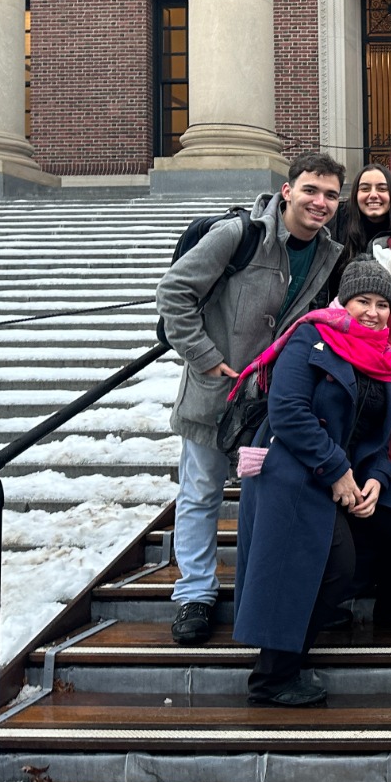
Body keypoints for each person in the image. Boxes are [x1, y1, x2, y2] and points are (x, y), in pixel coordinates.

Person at [233, 259, 391, 707]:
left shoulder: (384, 359)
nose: (372, 313)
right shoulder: (309, 337)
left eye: (381, 304)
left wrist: (376, 478)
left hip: (348, 473)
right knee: (332, 567)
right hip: (295, 468)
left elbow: (378, 439)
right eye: (362, 302)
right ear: (343, 302)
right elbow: (290, 413)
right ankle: (274, 675)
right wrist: (337, 472)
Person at [155, 152, 346, 647]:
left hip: (269, 403)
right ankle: (194, 594)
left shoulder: (330, 254)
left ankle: (253, 594)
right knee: (200, 494)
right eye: (310, 190)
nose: (319, 202)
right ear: (287, 190)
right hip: (215, 391)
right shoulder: (238, 236)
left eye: (329, 195)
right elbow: (174, 292)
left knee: (262, 498)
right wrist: (204, 356)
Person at [329, 163, 391, 290]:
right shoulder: (335, 222)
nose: (373, 195)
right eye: (365, 189)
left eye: (382, 189)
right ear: (355, 195)